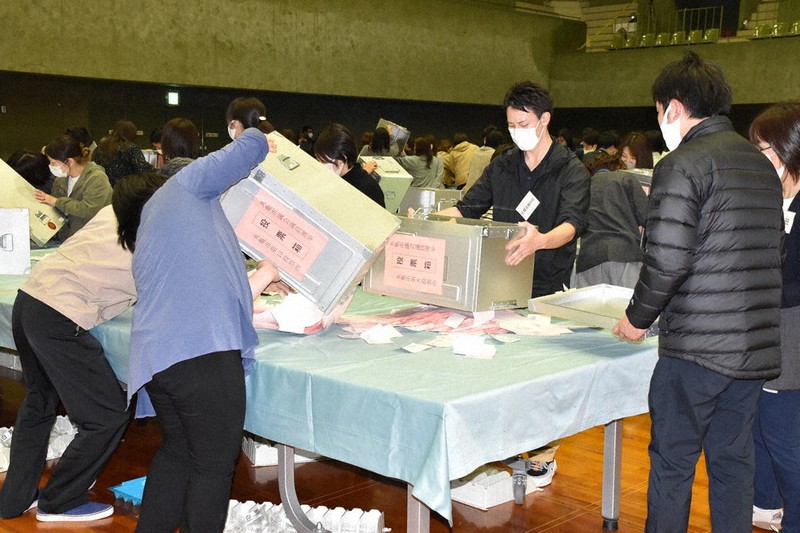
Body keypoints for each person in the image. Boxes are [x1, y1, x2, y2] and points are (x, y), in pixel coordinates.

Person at [612, 51, 783, 532]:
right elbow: (774, 250)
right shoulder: (760, 166)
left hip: (696, 349)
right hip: (753, 346)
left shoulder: (682, 164)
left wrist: (636, 319)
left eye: (658, 110)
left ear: (673, 106)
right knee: (733, 462)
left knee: (673, 463)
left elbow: (667, 260)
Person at [127, 98, 282, 532]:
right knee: (213, 465)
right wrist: (253, 124)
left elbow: (208, 283)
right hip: (201, 355)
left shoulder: (162, 216)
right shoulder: (190, 184)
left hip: (160, 360)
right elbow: (252, 146)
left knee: (178, 452)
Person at [436, 80, 589, 485]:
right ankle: (497, 445)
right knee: (499, 371)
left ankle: (542, 454)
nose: (517, 131)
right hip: (499, 283)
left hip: (545, 285)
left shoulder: (570, 169)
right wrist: (427, 223)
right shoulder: (503, 164)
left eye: (524, 123)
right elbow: (467, 208)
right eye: (511, 124)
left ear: (544, 120)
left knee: (540, 376)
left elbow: (573, 224)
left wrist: (541, 240)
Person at [0, 171, 168, 523]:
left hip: (29, 300)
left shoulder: (113, 212)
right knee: (106, 415)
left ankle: (14, 498)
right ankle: (60, 500)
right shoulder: (151, 239)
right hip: (58, 317)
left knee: (39, 404)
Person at [748, 101, 800, 533]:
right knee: (758, 425)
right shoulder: (765, 198)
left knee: (785, 438)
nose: (757, 156)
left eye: (763, 147)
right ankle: (765, 501)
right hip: (760, 330)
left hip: (791, 334)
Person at [575, 152, 648, 288]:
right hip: (624, 254)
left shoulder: (583, 186)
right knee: (625, 301)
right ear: (617, 167)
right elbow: (647, 217)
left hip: (588, 258)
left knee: (588, 302)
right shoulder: (625, 177)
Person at [39, 134, 113, 241]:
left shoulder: (97, 178)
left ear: (70, 161)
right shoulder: (61, 179)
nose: (51, 166)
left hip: (94, 239)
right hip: (69, 239)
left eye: (53, 163)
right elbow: (57, 210)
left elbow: (88, 209)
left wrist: (56, 202)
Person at [315, 123, 386, 208]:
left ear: (342, 160)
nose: (319, 165)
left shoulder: (368, 189)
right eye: (318, 160)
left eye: (323, 161)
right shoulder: (334, 180)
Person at [93, 120, 153, 186]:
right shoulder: (131, 148)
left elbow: (94, 165)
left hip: (104, 186)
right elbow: (142, 169)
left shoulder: (101, 146)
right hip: (125, 188)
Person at [464, 129, 505, 193]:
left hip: (469, 191)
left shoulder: (475, 153)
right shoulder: (495, 155)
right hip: (482, 193)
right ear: (499, 144)